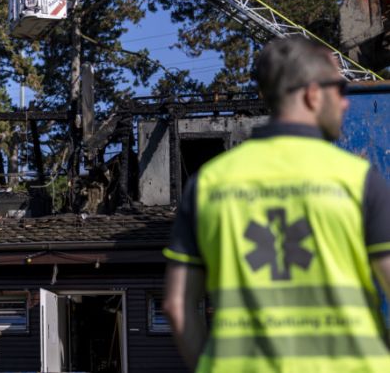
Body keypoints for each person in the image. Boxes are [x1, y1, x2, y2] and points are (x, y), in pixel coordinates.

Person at [163, 35, 390, 372]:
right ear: (313, 94)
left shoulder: (208, 183)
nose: (344, 103)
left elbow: (177, 305)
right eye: (339, 91)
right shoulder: (358, 179)